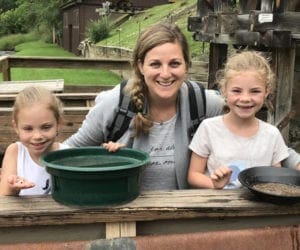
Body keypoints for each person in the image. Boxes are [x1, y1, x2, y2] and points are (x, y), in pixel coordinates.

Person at [64, 23, 300, 190]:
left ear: (186, 65)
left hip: (183, 216)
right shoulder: (117, 104)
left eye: (174, 63)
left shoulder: (204, 103)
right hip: (125, 211)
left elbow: (259, 136)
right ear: (140, 66)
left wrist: (295, 162)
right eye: (155, 64)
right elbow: (71, 150)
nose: (165, 74)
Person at [187, 51, 293, 189]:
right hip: (217, 207)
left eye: (255, 91)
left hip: (258, 210)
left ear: (266, 91)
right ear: (224, 90)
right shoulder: (209, 128)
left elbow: (276, 180)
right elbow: (193, 175)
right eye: (236, 91)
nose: (245, 98)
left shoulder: (272, 135)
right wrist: (214, 184)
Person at [0, 86, 68, 196]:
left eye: (46, 127)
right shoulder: (15, 152)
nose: (37, 136)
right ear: (16, 127)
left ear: (58, 124)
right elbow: (3, 194)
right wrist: (13, 187)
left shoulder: (67, 154)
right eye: (28, 129)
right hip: (20, 212)